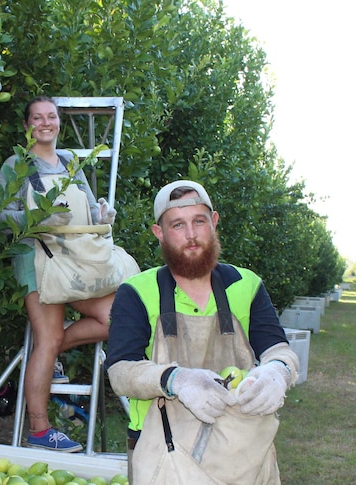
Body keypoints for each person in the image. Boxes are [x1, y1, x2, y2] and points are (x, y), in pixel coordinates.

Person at [105, 180, 300, 483]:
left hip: (242, 452)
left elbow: (278, 348)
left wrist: (278, 371)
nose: (191, 235)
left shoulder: (245, 285)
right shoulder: (137, 292)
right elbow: (120, 370)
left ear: (214, 222)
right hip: (164, 454)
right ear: (160, 233)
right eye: (178, 225)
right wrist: (176, 379)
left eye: (199, 221)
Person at [0, 96, 117, 452]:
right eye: (37, 117)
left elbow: (90, 208)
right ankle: (39, 431)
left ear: (58, 123)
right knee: (46, 342)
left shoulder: (70, 163)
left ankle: (45, 353)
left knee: (115, 317)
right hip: (37, 260)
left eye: (51, 116)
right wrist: (37, 220)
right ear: (27, 125)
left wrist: (102, 214)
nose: (45, 122)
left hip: (75, 260)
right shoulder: (16, 165)